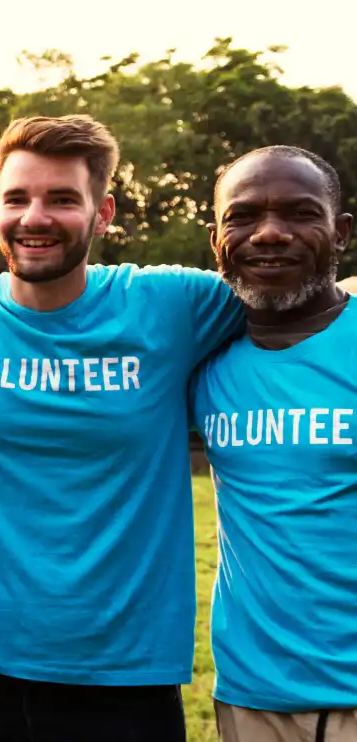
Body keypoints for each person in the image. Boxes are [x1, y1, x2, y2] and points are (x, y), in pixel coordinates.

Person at [0, 115, 241, 739]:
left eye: (62, 199)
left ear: (103, 212)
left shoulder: (174, 304)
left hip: (124, 667)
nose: (36, 217)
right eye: (18, 198)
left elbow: (303, 293)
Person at [190, 146, 356, 742]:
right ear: (216, 239)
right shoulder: (197, 357)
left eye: (299, 213)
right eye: (243, 217)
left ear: (340, 234)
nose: (269, 234)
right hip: (250, 695)